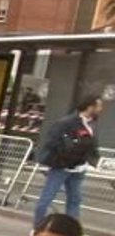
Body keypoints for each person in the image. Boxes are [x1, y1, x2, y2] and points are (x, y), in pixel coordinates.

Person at [32, 95, 104, 224]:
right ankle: (37, 227)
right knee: (47, 198)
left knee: (75, 199)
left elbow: (91, 144)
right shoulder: (67, 122)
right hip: (62, 166)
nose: (101, 109)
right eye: (98, 106)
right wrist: (64, 158)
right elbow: (52, 142)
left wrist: (94, 160)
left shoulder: (91, 124)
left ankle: (71, 230)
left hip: (79, 167)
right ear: (90, 107)